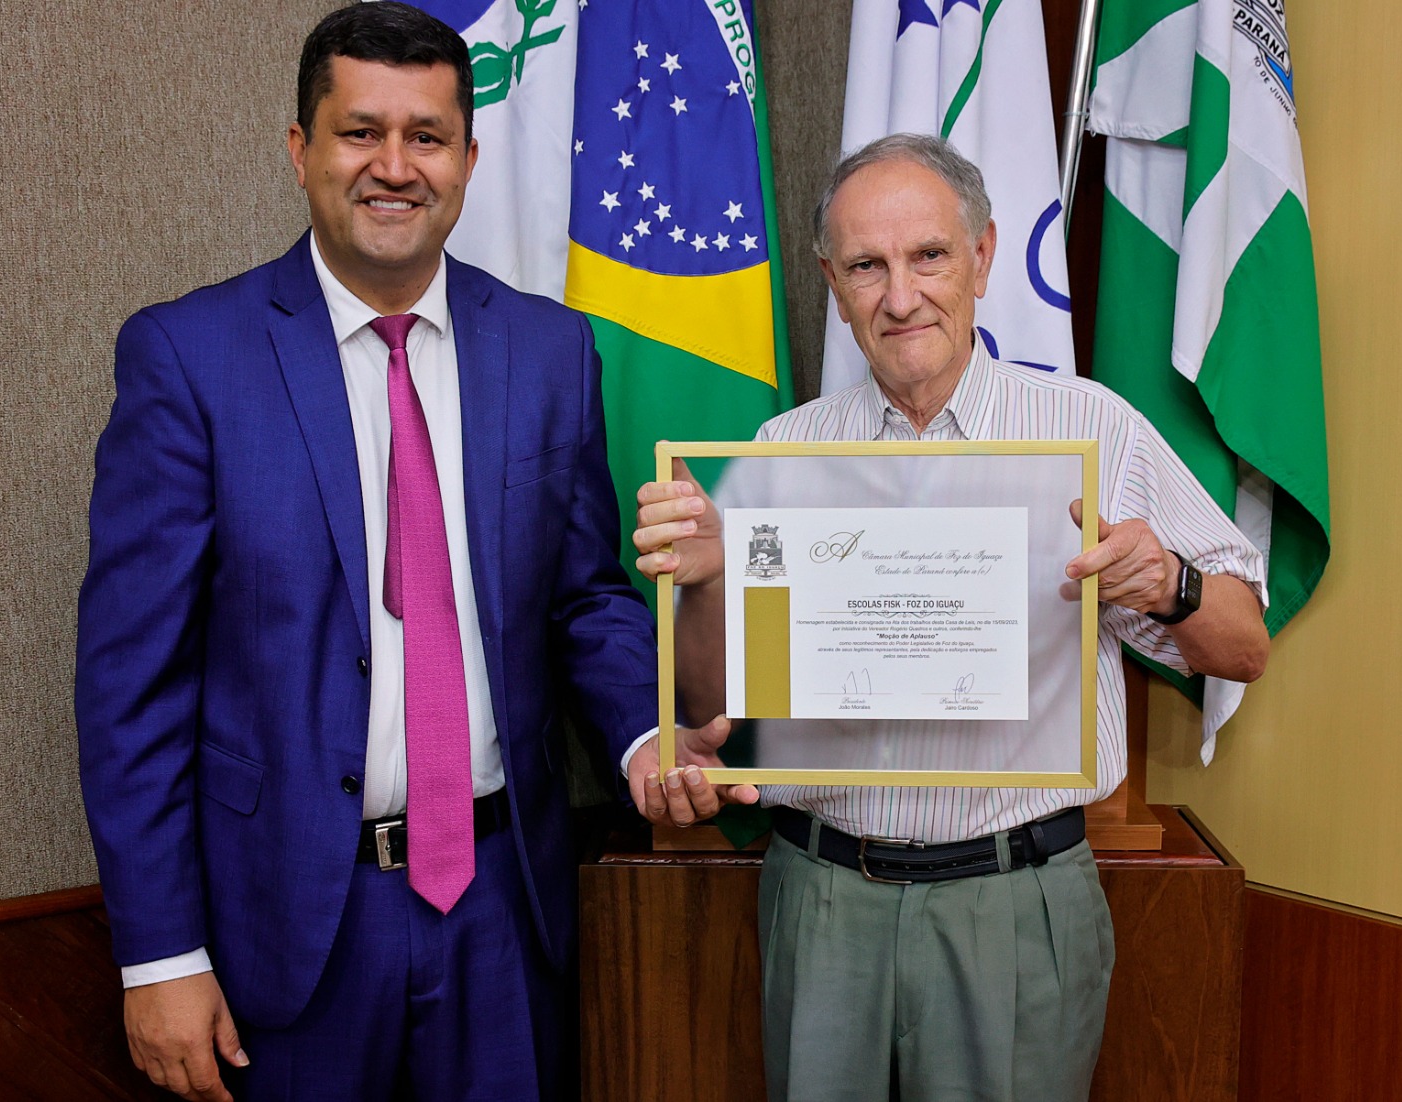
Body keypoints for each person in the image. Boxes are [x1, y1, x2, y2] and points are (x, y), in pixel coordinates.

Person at [76, 6, 734, 1100]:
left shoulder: (548, 347)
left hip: (502, 909)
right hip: (285, 929)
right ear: (300, 150)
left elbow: (582, 598)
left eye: (426, 136)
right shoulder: (188, 359)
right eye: (359, 132)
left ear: (468, 159)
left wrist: (638, 736)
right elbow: (128, 688)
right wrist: (158, 953)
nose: (395, 166)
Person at [631, 133, 1270, 1101]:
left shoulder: (1089, 432)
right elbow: (719, 705)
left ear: (981, 256)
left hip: (1012, 906)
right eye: (865, 266)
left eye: (927, 255)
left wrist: (1167, 583)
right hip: (823, 901)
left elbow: (1245, 643)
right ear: (830, 283)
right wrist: (712, 579)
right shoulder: (780, 450)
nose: (899, 296)